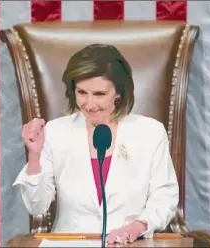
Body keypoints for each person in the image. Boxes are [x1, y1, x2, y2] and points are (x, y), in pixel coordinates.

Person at [13, 44, 179, 245]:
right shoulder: (56, 132)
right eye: (81, 92)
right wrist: (34, 156)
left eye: (99, 94)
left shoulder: (150, 132)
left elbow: (165, 197)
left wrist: (139, 226)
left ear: (119, 92)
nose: (89, 104)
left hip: (130, 244)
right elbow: (36, 206)